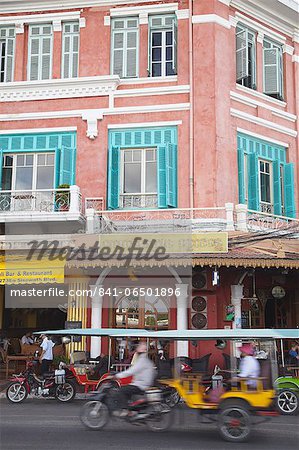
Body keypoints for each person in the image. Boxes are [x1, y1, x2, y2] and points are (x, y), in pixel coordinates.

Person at [113, 341, 155, 417]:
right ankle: (132, 409)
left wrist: (118, 376)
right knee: (127, 390)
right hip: (142, 383)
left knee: (122, 390)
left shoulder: (142, 361)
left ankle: (125, 410)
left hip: (140, 385)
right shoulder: (146, 360)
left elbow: (131, 371)